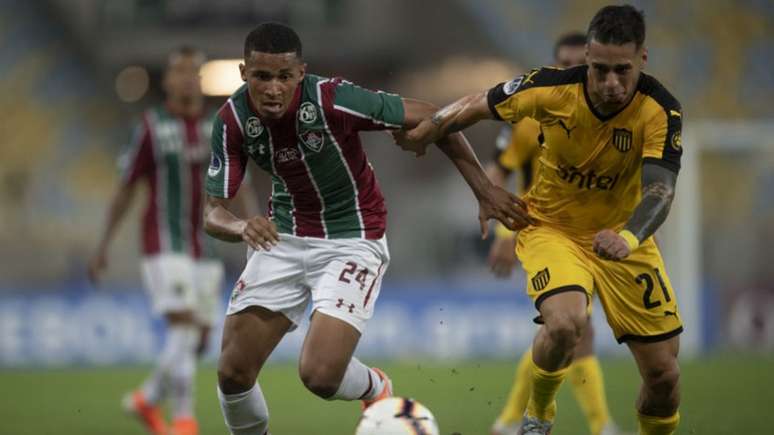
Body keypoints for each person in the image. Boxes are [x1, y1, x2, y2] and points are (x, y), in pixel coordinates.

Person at [204, 23, 529, 435]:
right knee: (233, 373)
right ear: (243, 72)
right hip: (282, 237)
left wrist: (484, 189)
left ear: (300, 73)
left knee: (320, 375)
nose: (272, 88)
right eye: (262, 76)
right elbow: (212, 212)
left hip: (352, 237)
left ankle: (376, 387)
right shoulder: (232, 118)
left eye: (284, 77)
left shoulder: (332, 98)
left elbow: (431, 114)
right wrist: (241, 227)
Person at [395, 5, 683, 435]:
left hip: (623, 240)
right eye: (599, 69)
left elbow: (661, 190)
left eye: (621, 70)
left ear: (642, 58)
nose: (609, 83)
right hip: (553, 230)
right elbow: (477, 104)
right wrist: (427, 130)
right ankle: (538, 416)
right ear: (586, 56)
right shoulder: (549, 88)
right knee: (567, 323)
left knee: (663, 377)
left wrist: (628, 236)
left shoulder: (660, 110)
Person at [489, 32, 628, 435]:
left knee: (564, 334)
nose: (570, 71)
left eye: (577, 65)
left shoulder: (616, 116)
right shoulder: (535, 116)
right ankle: (601, 426)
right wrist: (503, 231)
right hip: (549, 237)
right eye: (562, 64)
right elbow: (499, 173)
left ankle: (509, 422)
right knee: (573, 329)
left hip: (602, 237)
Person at [88, 46, 222, 435]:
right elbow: (126, 188)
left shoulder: (216, 126)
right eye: (177, 71)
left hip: (206, 247)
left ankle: (147, 399)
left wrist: (251, 228)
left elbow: (239, 185)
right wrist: (103, 245)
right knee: (183, 325)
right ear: (166, 80)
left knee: (198, 341)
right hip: (163, 244)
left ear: (199, 78)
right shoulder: (151, 125)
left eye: (191, 71)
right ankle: (184, 419)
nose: (184, 78)